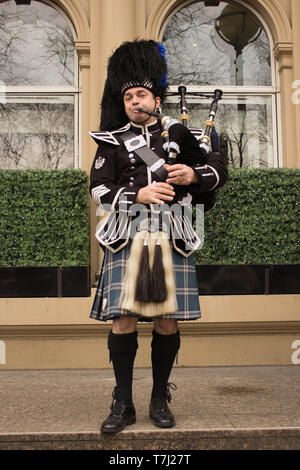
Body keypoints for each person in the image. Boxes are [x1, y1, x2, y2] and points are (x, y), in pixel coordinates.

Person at [89, 40, 228, 433]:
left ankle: (158, 399)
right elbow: (98, 189)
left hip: (172, 235)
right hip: (127, 235)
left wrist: (194, 175)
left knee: (167, 322)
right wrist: (138, 194)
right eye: (129, 96)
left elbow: (218, 169)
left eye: (142, 94)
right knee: (122, 320)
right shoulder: (112, 141)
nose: (135, 102)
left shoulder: (184, 136)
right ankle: (123, 403)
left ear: (156, 98)